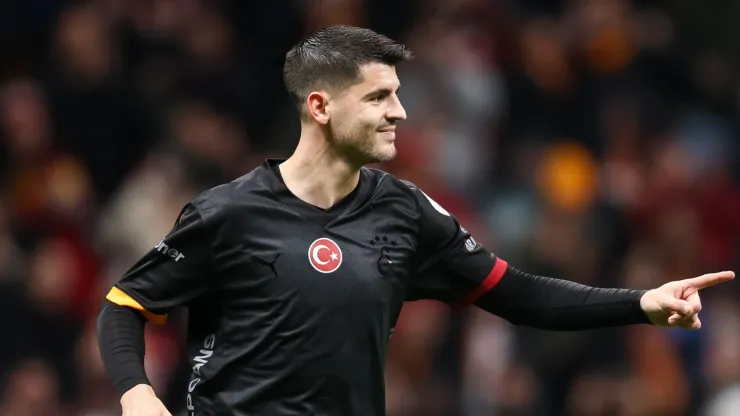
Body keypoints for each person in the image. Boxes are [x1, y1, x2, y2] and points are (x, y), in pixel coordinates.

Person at [96, 25, 735, 416]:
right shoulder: (227, 212)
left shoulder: (405, 212)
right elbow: (123, 306)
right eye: (379, 96)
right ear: (318, 106)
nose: (400, 111)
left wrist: (641, 302)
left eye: (398, 93)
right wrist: (137, 394)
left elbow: (516, 294)